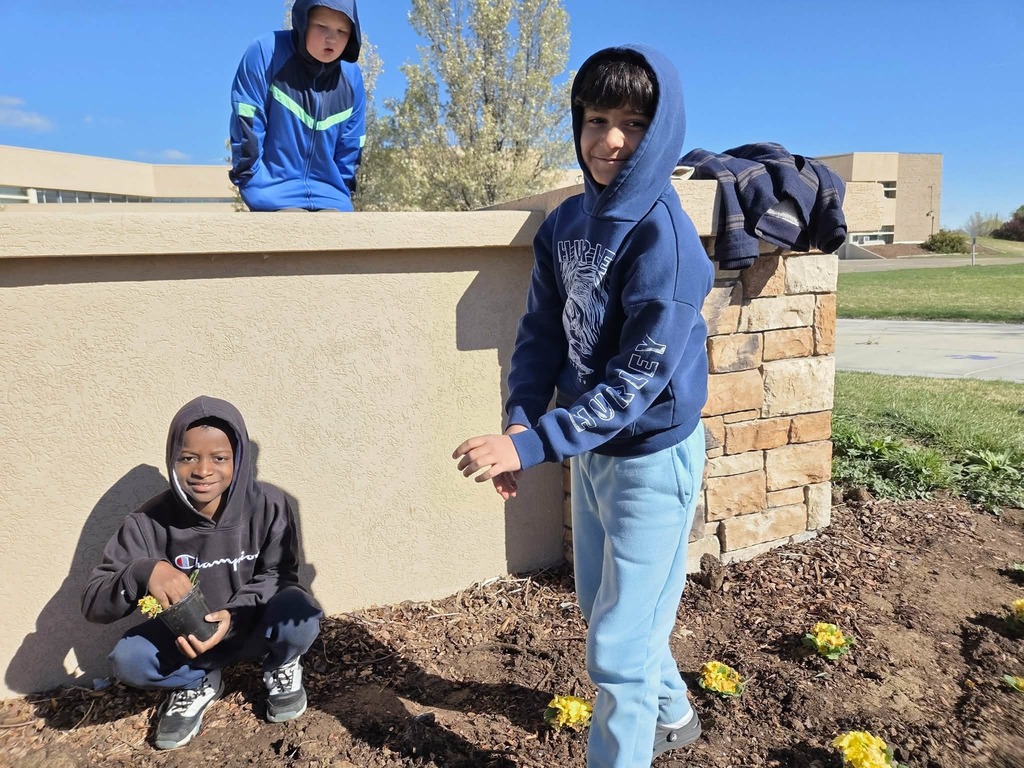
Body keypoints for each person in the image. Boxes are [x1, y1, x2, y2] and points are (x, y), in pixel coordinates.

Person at [453, 45, 713, 768]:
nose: (610, 141)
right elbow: (539, 333)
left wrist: (536, 444)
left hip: (652, 459)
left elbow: (637, 379)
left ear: (660, 131)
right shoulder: (567, 223)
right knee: (604, 606)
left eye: (633, 122)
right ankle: (675, 713)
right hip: (593, 451)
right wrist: (519, 421)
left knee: (618, 647)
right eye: (596, 119)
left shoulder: (666, 239)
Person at [82, 396, 323, 751]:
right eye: (188, 458)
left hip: (252, 625)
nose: (203, 470)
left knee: (299, 612)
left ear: (238, 460)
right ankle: (196, 681)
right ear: (173, 460)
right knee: (128, 659)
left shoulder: (269, 504)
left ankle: (282, 665)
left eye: (219, 458)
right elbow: (93, 603)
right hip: (190, 643)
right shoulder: (148, 522)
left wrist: (235, 615)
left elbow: (280, 573)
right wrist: (142, 572)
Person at [229, 0, 365, 212]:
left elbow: (352, 142)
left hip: (331, 200)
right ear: (303, 21)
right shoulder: (266, 52)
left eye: (342, 31)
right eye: (322, 26)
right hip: (271, 194)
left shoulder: (351, 76)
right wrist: (250, 180)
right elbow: (247, 121)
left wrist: (343, 191)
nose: (332, 38)